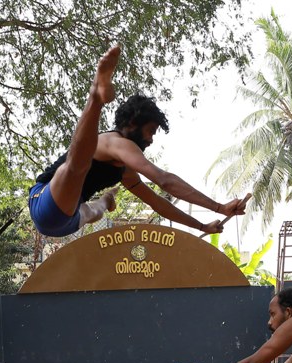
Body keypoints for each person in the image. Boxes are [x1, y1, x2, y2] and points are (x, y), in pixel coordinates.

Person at [28, 45, 246, 238]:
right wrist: (219, 207)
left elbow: (157, 203)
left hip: (66, 221)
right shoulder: (114, 142)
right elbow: (164, 180)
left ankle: (106, 200)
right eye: (150, 131)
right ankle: (95, 97)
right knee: (75, 167)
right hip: (44, 202)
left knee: (95, 210)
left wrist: (202, 226)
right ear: (132, 123)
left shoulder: (124, 169)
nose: (150, 140)